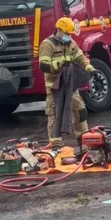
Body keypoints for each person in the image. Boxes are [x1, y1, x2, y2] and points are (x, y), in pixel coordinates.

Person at [38, 17, 97, 147]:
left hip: (69, 85)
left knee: (80, 110)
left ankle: (83, 138)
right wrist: (59, 64)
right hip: (54, 86)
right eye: (66, 33)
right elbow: (43, 65)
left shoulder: (70, 44)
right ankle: (56, 145)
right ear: (59, 30)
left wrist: (90, 69)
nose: (68, 36)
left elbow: (80, 58)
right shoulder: (47, 44)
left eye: (70, 34)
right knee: (54, 114)